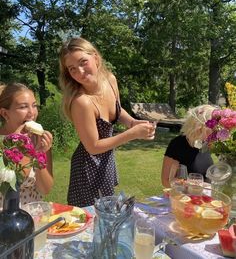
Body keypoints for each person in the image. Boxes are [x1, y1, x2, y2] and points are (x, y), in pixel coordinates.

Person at [59, 37, 156, 207]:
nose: (80, 72)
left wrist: (133, 122)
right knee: (90, 222)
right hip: (86, 170)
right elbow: (93, 147)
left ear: (95, 58)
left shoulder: (110, 80)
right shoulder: (82, 102)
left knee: (108, 214)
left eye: (83, 62)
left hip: (106, 161)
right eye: (72, 69)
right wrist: (131, 134)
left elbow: (117, 111)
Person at [0, 83, 53, 206]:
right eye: (23, 107)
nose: (32, 113)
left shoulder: (39, 141)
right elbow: (8, 181)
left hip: (32, 215)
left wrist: (39, 154)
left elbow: (45, 189)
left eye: (34, 106)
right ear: (5, 114)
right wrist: (16, 144)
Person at [161, 104, 216, 188]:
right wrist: (192, 185)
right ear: (200, 126)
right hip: (186, 198)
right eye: (213, 125)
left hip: (205, 197)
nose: (216, 129)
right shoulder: (178, 144)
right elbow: (166, 181)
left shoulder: (205, 143)